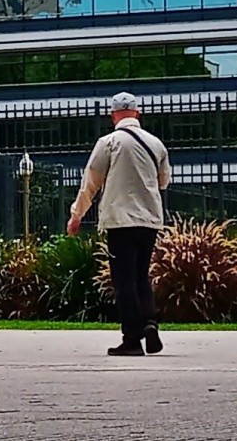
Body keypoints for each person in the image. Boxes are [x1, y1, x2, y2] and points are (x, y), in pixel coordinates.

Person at [67, 92, 171, 357]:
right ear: (137, 113)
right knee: (141, 275)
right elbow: (163, 182)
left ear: (113, 115)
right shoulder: (156, 144)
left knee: (124, 280)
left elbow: (91, 181)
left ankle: (132, 339)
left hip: (120, 220)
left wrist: (77, 215)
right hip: (149, 220)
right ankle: (149, 322)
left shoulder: (108, 142)